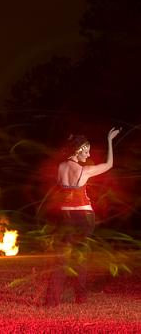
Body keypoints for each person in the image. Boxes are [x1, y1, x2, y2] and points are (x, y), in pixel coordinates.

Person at [45, 127, 120, 306]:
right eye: (86, 151)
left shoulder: (61, 166)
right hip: (84, 217)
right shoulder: (84, 171)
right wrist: (109, 141)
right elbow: (109, 165)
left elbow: (59, 189)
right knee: (80, 257)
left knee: (61, 259)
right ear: (77, 150)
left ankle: (52, 301)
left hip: (66, 217)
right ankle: (80, 297)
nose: (88, 154)